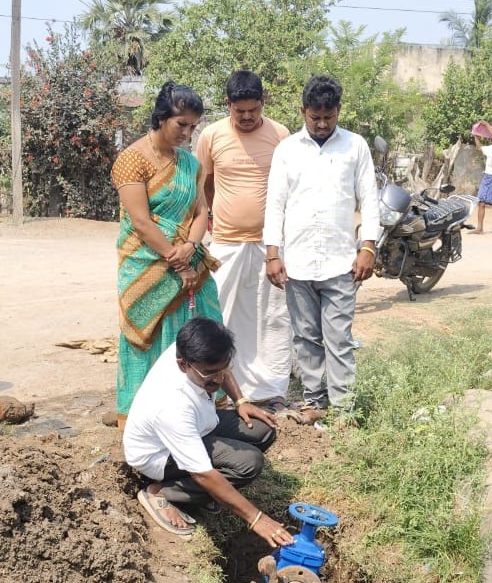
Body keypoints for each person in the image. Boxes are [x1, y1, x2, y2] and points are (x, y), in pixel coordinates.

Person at [263, 74, 379, 425]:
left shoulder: (355, 146)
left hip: (341, 262)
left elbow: (370, 200)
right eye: (315, 117)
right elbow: (275, 205)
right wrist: (272, 254)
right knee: (306, 337)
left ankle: (344, 409)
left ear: (338, 111)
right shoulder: (286, 150)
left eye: (329, 117)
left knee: (339, 338)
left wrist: (368, 247)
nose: (322, 124)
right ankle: (315, 400)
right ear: (303, 112)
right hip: (297, 263)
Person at [123, 316, 295, 549]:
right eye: (210, 373)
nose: (219, 378)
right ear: (183, 364)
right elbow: (203, 473)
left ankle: (204, 494)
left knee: (263, 430)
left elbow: (219, 366)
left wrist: (241, 400)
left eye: (224, 369)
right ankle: (161, 492)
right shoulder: (171, 403)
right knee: (248, 463)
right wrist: (257, 519)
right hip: (159, 456)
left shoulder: (196, 350)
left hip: (199, 425)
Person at [111, 81, 222, 431]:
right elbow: (141, 221)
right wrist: (179, 260)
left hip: (188, 258)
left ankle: (198, 408)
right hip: (147, 265)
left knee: (202, 327)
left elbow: (202, 211)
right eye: (181, 125)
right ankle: (141, 415)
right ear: (161, 118)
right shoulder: (131, 160)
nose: (188, 133)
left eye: (193, 126)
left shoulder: (190, 164)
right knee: (150, 339)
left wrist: (190, 248)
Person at [195, 71, 292, 408]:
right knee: (220, 313)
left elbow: (287, 189)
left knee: (271, 318)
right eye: (240, 111)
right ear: (228, 105)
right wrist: (210, 218)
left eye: (253, 110)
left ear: (263, 103)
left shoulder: (280, 135)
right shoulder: (210, 136)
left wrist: (276, 242)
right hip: (226, 242)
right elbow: (204, 185)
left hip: (271, 246)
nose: (248, 117)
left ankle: (269, 389)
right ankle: (216, 389)